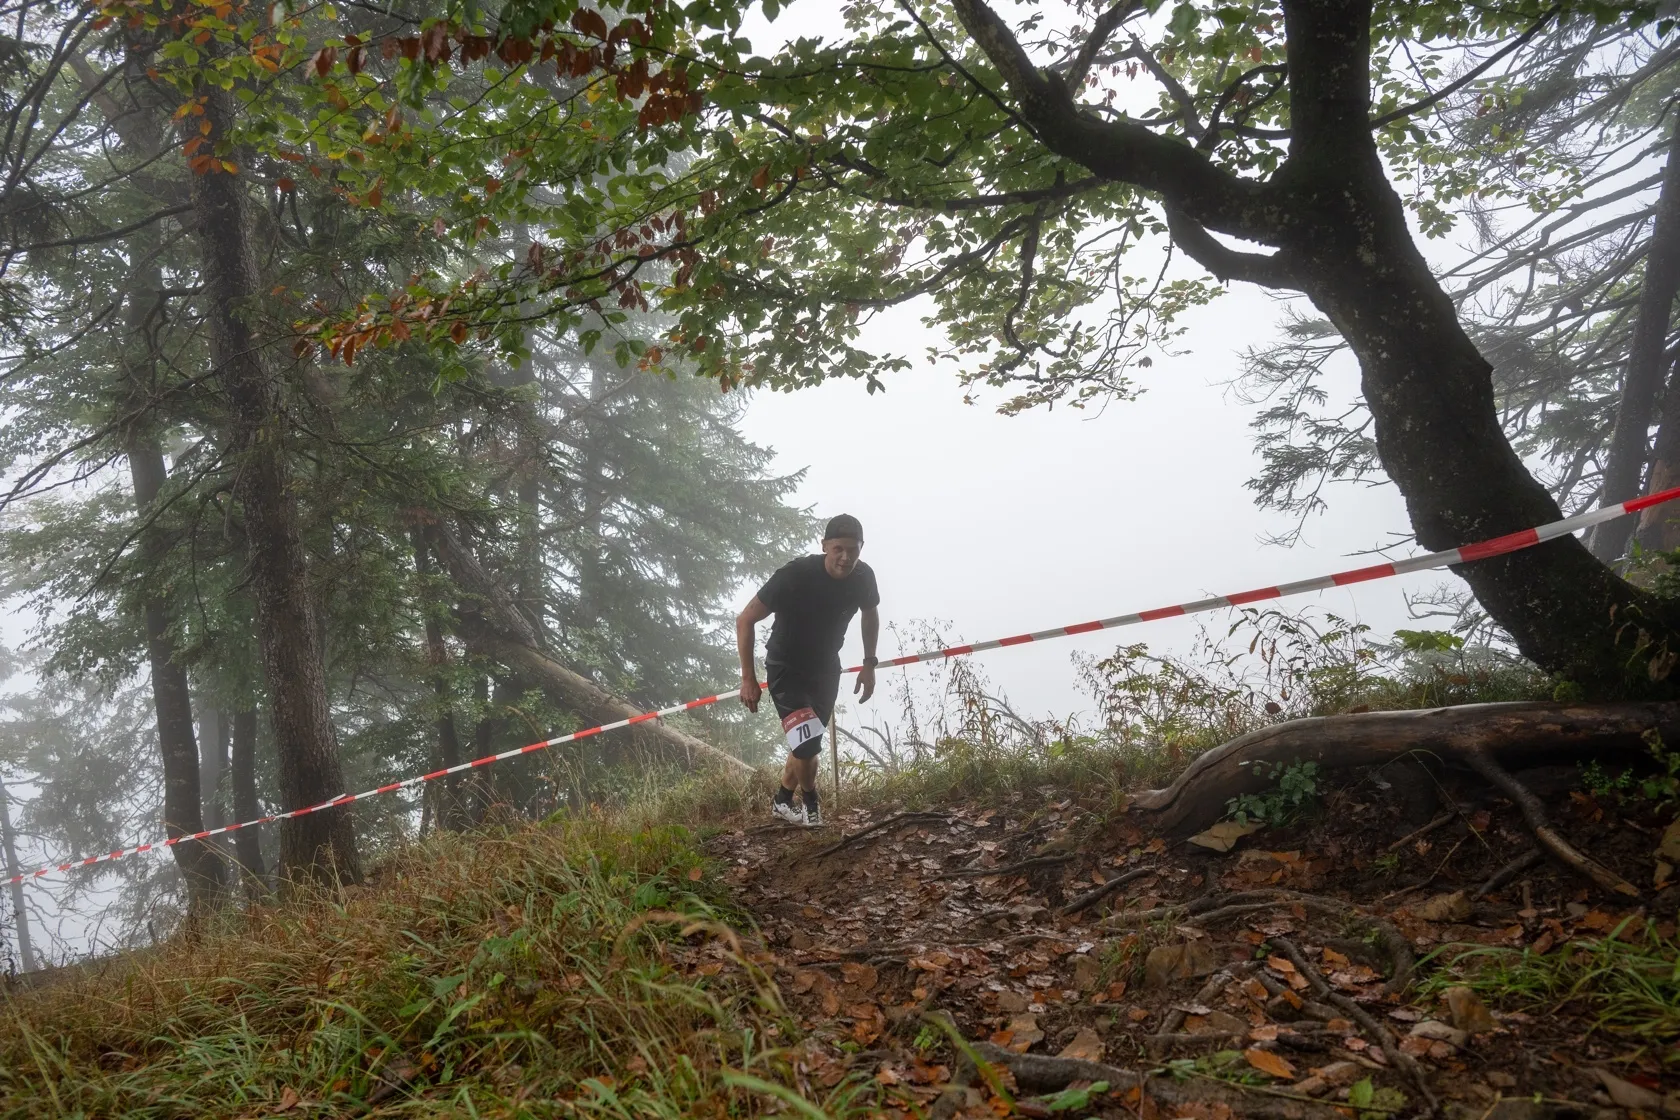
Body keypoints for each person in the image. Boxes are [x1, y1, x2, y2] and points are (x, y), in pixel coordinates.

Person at [736, 514, 879, 825]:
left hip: (826, 668)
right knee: (807, 744)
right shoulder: (794, 575)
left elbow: (870, 614)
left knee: (807, 741)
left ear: (861, 548)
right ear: (824, 545)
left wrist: (869, 663)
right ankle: (811, 803)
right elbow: (745, 620)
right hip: (786, 668)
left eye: (853, 550)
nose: (845, 557)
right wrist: (748, 678)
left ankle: (782, 801)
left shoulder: (863, 577)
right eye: (838, 549)